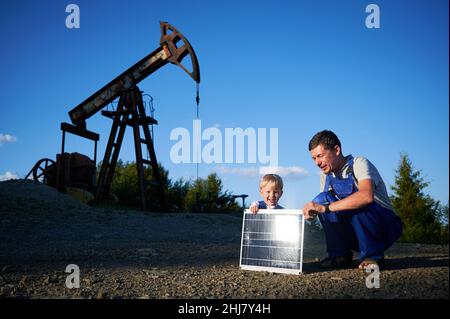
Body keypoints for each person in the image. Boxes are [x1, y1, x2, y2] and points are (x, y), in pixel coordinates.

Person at [302, 130, 403, 270]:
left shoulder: (359, 163)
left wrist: (326, 208)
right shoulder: (325, 176)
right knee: (321, 199)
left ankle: (372, 256)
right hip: (355, 231)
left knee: (356, 200)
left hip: (383, 227)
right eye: (314, 158)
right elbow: (325, 210)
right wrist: (313, 213)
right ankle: (339, 256)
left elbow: (366, 196)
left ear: (336, 150)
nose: (317, 162)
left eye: (320, 156)